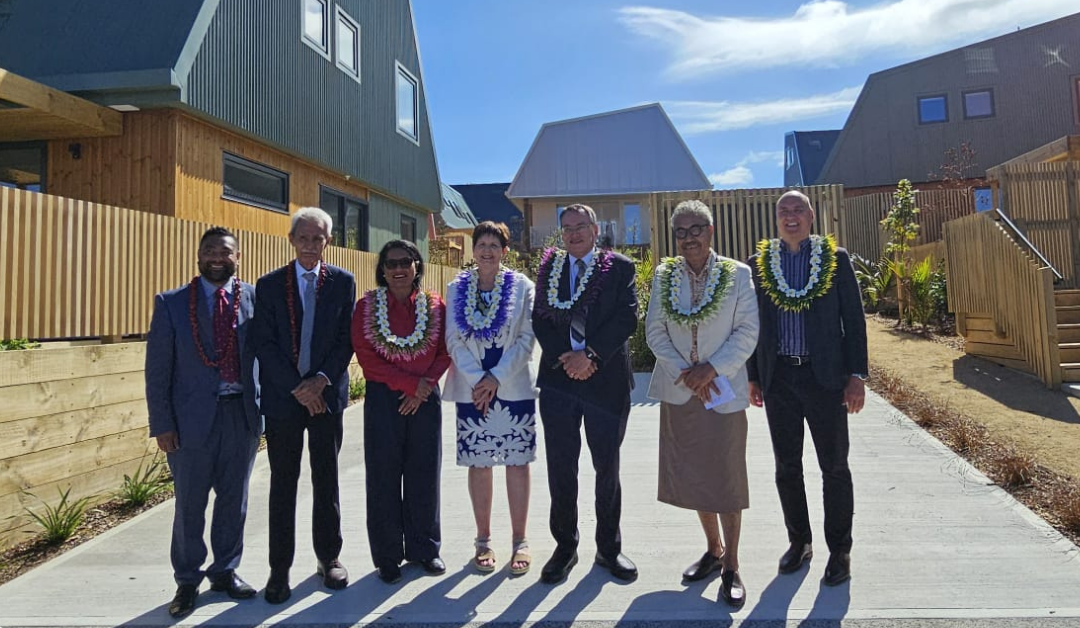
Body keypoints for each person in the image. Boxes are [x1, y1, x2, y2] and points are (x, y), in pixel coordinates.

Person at [747, 190, 867, 587]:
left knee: (834, 467)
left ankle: (840, 551)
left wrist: (856, 377)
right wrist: (754, 376)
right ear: (776, 219)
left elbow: (854, 321)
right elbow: (752, 326)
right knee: (787, 468)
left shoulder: (836, 259)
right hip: (779, 378)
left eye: (798, 210)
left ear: (812, 216)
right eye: (784, 211)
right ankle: (799, 542)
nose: (791, 216)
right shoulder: (760, 264)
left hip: (826, 380)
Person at [645, 200, 759, 608]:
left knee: (726, 477)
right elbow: (654, 331)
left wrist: (710, 370)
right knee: (695, 475)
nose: (689, 237)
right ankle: (713, 551)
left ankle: (733, 566)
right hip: (681, 390)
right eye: (681, 231)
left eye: (696, 229)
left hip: (722, 391)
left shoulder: (738, 274)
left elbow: (748, 332)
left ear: (710, 232)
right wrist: (686, 373)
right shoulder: (664, 275)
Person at [146, 226, 261, 618]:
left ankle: (225, 571)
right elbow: (158, 370)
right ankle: (187, 580)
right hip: (190, 422)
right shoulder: (172, 303)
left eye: (225, 251)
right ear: (198, 255)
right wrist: (162, 423)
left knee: (234, 500)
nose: (217, 257)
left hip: (241, 417)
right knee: (190, 504)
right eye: (209, 250)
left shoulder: (253, 300)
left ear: (237, 257)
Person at [251, 207, 356, 603]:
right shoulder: (270, 284)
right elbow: (263, 342)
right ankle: (279, 569)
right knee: (283, 484)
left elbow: (346, 341)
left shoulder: (343, 283)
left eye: (319, 238)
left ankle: (329, 558)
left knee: (326, 480)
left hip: (326, 398)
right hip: (284, 400)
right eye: (305, 237)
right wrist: (299, 388)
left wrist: (320, 383)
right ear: (292, 240)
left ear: (328, 242)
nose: (311, 245)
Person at [531, 203, 639, 584]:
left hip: (606, 381)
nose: (574, 233)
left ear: (595, 230)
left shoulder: (619, 267)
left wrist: (589, 356)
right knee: (561, 468)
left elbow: (627, 316)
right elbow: (540, 319)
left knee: (606, 467)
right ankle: (565, 547)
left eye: (581, 226)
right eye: (567, 228)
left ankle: (609, 549)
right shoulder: (549, 268)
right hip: (560, 382)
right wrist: (569, 360)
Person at [352, 240, 451, 584]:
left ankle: (425, 548)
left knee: (424, 474)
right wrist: (410, 386)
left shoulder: (435, 305)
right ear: (382, 269)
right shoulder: (366, 306)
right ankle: (388, 556)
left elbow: (446, 349)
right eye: (391, 263)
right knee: (383, 477)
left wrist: (425, 385)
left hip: (426, 398)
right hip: (385, 400)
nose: (398, 269)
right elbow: (367, 357)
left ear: (416, 266)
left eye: (405, 262)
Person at [444, 222, 538, 576]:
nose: (486, 251)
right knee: (479, 463)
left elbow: (528, 339)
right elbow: (452, 338)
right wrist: (478, 380)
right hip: (473, 390)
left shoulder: (523, 287)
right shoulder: (457, 288)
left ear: (504, 251)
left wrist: (496, 378)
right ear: (473, 250)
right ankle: (483, 540)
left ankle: (520, 540)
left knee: (516, 462)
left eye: (493, 245)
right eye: (481, 244)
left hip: (512, 387)